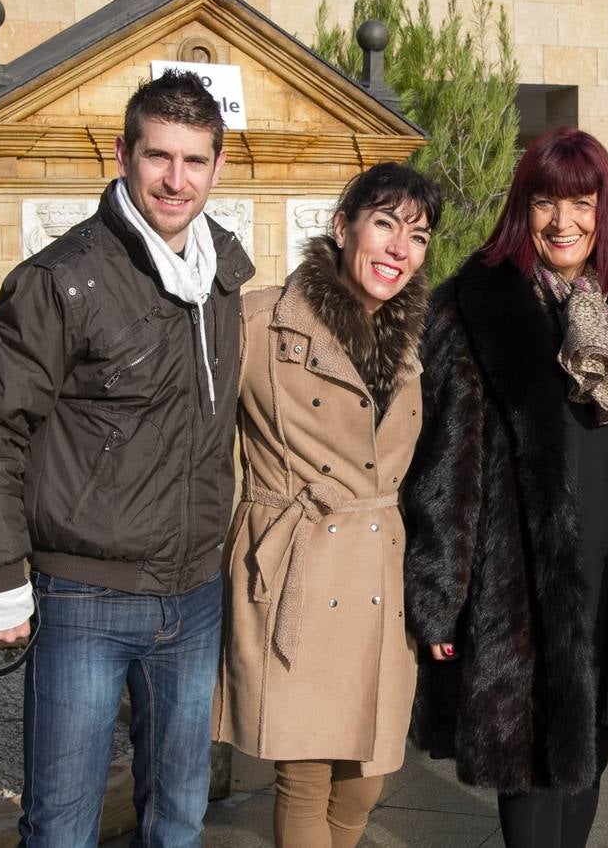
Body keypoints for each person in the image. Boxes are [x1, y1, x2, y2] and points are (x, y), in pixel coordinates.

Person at [0, 70, 252, 845]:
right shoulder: (62, 280)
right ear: (123, 155)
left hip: (194, 593)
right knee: (63, 825)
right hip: (86, 597)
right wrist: (2, 579)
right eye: (158, 157)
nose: (175, 180)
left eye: (194, 160)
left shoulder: (222, 281)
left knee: (179, 815)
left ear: (217, 167)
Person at [403, 127, 608, 848]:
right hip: (516, 587)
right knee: (527, 765)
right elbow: (443, 470)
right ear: (523, 209)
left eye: (581, 203)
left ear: (604, 209)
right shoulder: (474, 308)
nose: (563, 222)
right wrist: (440, 600)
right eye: (545, 202)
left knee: (593, 749)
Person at [212, 162, 441, 848]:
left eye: (420, 236)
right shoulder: (259, 322)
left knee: (366, 776)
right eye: (384, 224)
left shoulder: (414, 340)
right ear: (343, 228)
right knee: (306, 776)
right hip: (299, 567)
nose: (401, 248)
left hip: (380, 572)